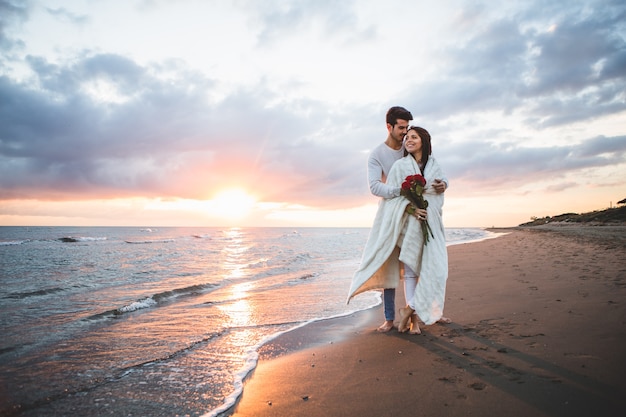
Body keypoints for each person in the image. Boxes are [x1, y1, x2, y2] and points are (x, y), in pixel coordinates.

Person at [348, 125, 449, 335]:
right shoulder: (399, 165)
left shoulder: (434, 164)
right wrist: (411, 208)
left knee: (437, 269)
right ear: (390, 126)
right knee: (411, 270)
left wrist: (443, 186)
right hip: (409, 223)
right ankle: (411, 320)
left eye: (413, 137)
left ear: (424, 141)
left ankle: (411, 309)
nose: (408, 139)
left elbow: (438, 189)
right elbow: (392, 197)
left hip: (432, 223)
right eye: (406, 135)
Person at [366, 106, 413, 332]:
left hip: (414, 213)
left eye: (407, 127)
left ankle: (420, 314)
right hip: (390, 215)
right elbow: (375, 186)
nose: (405, 132)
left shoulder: (410, 147)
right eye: (401, 127)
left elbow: (429, 168)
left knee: (417, 265)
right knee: (389, 265)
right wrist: (400, 191)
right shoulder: (377, 154)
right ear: (389, 127)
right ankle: (389, 319)